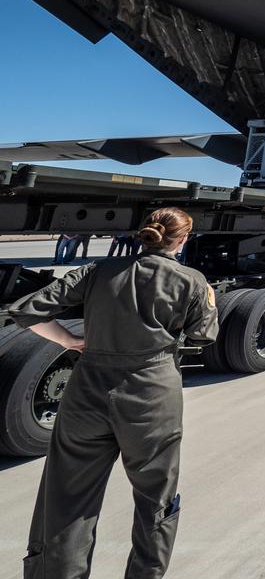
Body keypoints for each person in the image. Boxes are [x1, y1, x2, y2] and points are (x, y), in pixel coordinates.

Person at [6, 207, 219, 578]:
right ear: (183, 239)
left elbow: (27, 312)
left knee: (68, 495)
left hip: (87, 391)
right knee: (155, 498)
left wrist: (71, 341)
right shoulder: (192, 280)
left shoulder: (98, 271)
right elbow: (204, 336)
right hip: (151, 394)